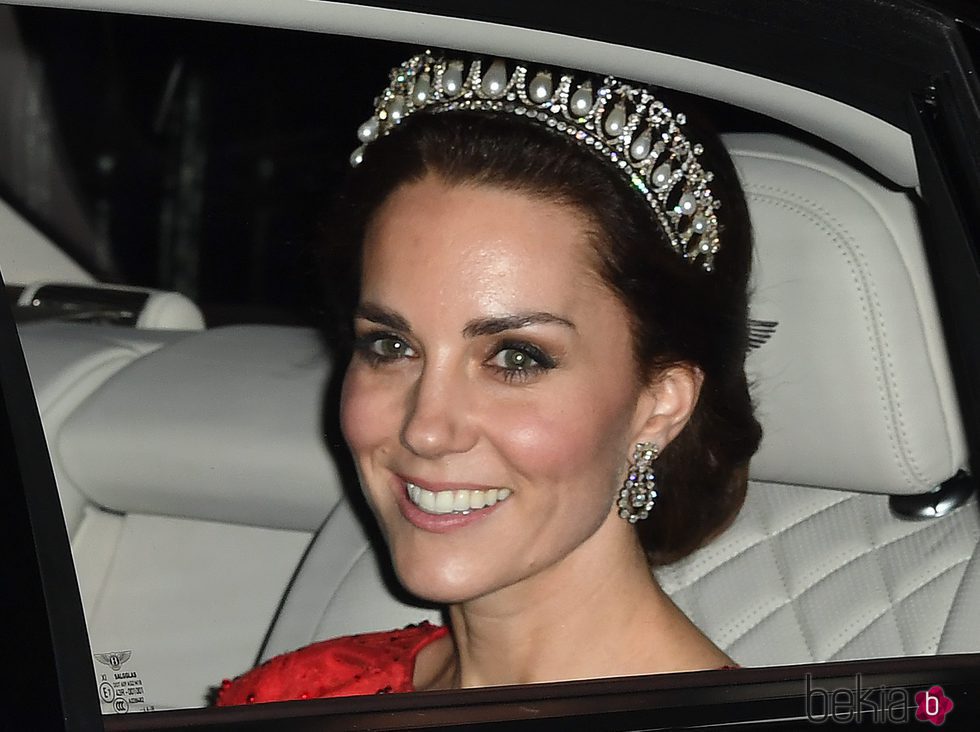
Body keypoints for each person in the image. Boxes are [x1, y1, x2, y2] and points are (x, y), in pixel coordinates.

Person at [216, 51, 761, 704]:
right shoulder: (298, 697)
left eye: (514, 358)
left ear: (659, 405)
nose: (426, 429)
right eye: (391, 345)